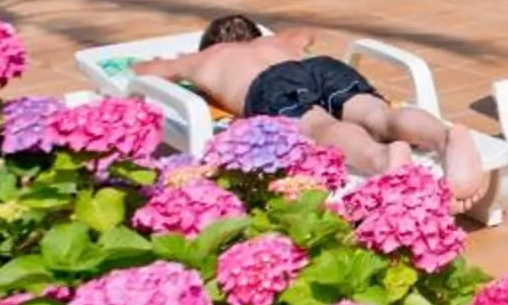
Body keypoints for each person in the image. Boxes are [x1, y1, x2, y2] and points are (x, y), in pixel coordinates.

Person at [168, 16, 490, 208]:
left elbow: (145, 71)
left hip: (269, 86)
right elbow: (307, 35)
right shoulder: (280, 44)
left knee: (319, 126)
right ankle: (445, 136)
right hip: (319, 66)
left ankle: (381, 158)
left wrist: (181, 64)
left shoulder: (207, 60)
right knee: (375, 113)